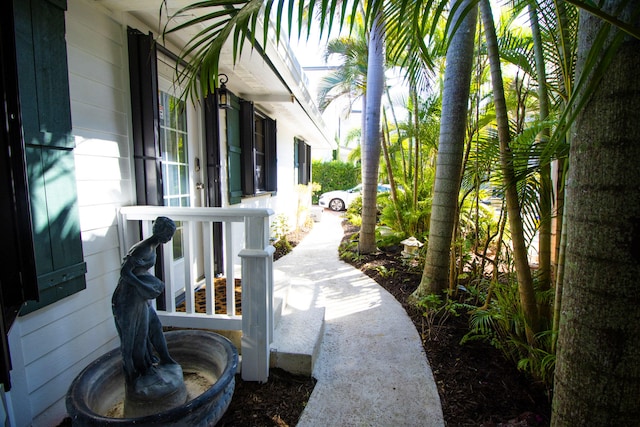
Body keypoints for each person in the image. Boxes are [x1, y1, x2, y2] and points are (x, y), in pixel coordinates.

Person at [112, 216, 178, 387]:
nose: (169, 238)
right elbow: (125, 273)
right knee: (136, 336)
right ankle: (139, 373)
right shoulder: (142, 249)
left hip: (140, 295)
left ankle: (166, 358)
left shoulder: (152, 246)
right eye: (168, 234)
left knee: (154, 325)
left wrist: (152, 285)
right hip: (129, 298)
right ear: (161, 232)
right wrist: (145, 286)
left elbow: (139, 271)